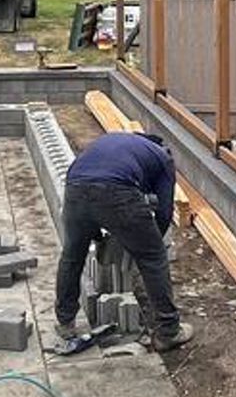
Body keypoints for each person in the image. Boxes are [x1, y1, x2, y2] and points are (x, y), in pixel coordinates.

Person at [54, 129, 193, 352]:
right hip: (116, 189)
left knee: (72, 255)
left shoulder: (112, 142)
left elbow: (89, 191)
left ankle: (65, 322)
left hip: (74, 187)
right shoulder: (163, 157)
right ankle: (169, 331)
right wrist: (148, 243)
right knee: (153, 257)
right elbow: (165, 212)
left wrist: (97, 235)